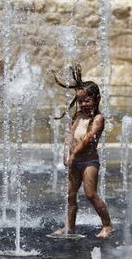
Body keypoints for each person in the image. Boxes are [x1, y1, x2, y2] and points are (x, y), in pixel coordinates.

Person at [52, 63, 113, 239]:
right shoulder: (78, 116)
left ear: (97, 99)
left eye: (87, 100)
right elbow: (70, 136)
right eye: (80, 101)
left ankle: (107, 225)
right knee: (70, 195)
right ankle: (69, 227)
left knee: (90, 194)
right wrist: (66, 152)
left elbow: (87, 140)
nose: (83, 104)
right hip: (74, 161)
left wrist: (73, 154)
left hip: (89, 162)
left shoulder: (99, 119)